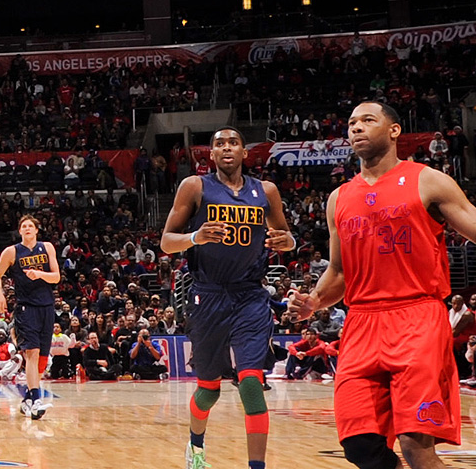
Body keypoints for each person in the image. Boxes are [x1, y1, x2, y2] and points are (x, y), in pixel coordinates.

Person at [288, 100, 476, 469]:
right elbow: (339, 274)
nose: (356, 128)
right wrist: (313, 301)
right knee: (360, 447)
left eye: (368, 120)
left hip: (416, 318)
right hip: (360, 324)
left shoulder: (428, 180)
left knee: (415, 447)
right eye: (352, 123)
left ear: (394, 130)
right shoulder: (338, 198)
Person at [162, 126, 295, 469]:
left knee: (251, 383)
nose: (226, 148)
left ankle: (257, 466)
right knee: (208, 389)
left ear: (244, 152)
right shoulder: (195, 186)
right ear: (211, 154)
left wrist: (286, 242)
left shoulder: (265, 191)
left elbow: (288, 238)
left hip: (250, 295)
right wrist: (196, 236)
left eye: (233, 142)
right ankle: (196, 446)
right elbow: (166, 241)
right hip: (208, 295)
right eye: (219, 143)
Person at [0, 214, 62, 420]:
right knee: (32, 352)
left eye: (31, 226)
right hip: (25, 307)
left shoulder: (47, 247)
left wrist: (40, 274)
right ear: (20, 231)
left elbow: (56, 277)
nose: (27, 228)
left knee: (41, 358)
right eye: (24, 226)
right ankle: (37, 399)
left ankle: (28, 399)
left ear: (37, 230)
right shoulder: (12, 251)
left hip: (47, 306)